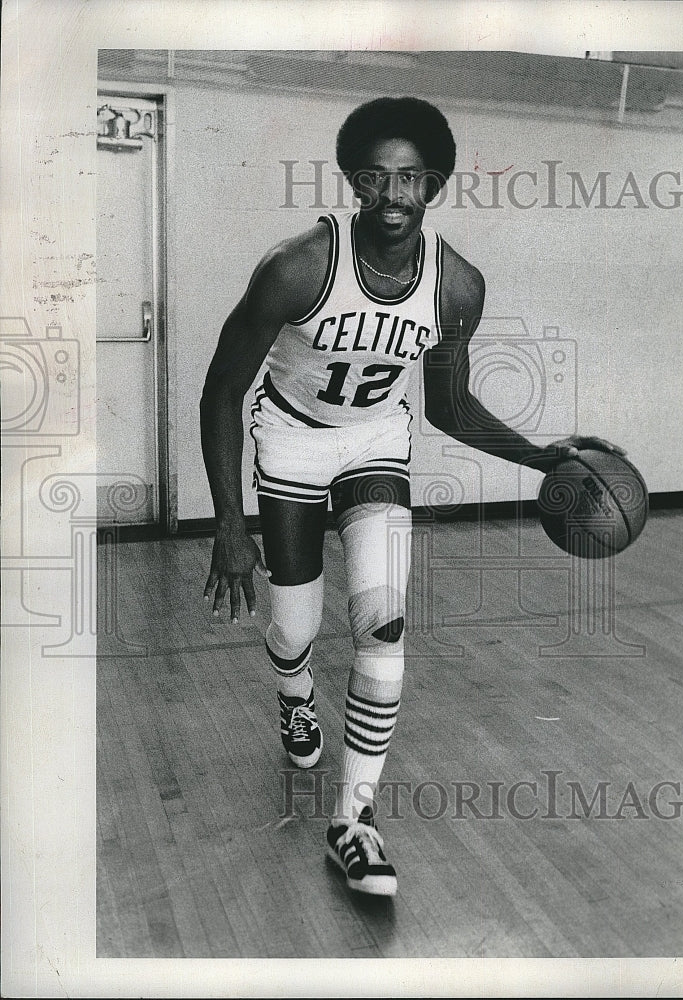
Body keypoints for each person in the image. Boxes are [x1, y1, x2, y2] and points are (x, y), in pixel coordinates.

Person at [200, 96, 624, 897]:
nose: (394, 194)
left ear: (434, 184)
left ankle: (353, 821)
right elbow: (221, 391)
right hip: (291, 434)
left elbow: (448, 405)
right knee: (294, 623)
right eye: (377, 177)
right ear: (354, 180)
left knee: (382, 622)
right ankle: (295, 697)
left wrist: (543, 459)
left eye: (412, 178)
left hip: (374, 443)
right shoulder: (297, 266)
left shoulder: (456, 285)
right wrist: (228, 523)